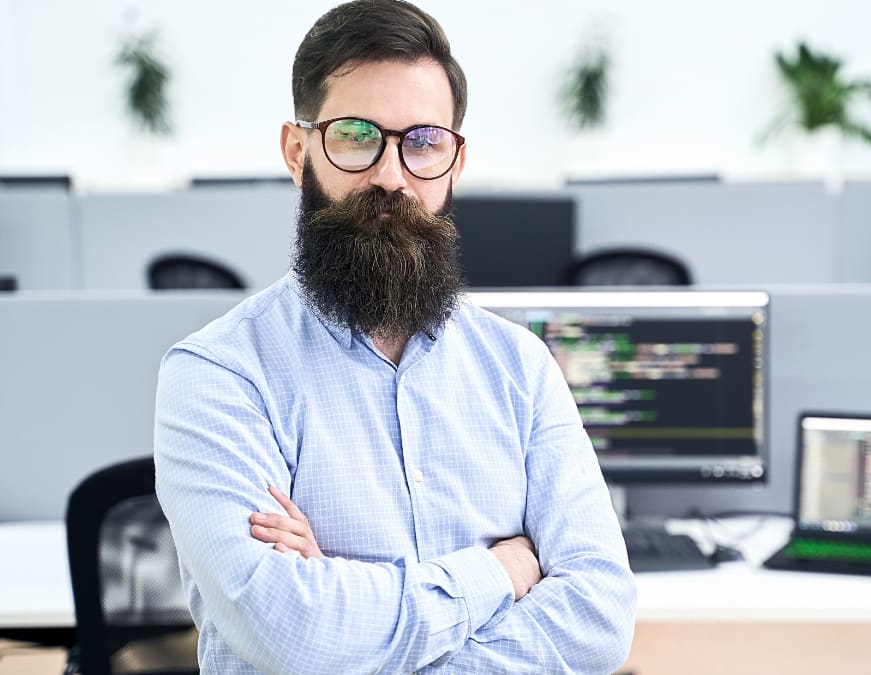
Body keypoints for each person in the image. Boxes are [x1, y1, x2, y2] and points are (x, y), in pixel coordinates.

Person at [153, 1, 636, 672]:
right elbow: (289, 633)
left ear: (454, 160)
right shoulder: (219, 374)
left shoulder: (519, 368)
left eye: (424, 140)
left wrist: (347, 618)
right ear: (299, 152)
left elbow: (600, 620)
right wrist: (499, 570)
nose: (390, 173)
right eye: (355, 135)